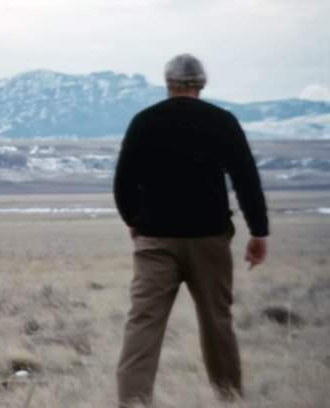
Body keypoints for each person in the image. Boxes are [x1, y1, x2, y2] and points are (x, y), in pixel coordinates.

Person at [113, 54, 269, 407]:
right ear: (202, 83)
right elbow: (246, 180)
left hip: (155, 240)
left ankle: (133, 402)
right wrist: (258, 231)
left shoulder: (145, 122)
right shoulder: (221, 122)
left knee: (143, 325)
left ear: (168, 83)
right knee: (218, 323)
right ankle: (229, 398)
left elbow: (123, 180)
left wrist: (134, 220)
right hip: (209, 240)